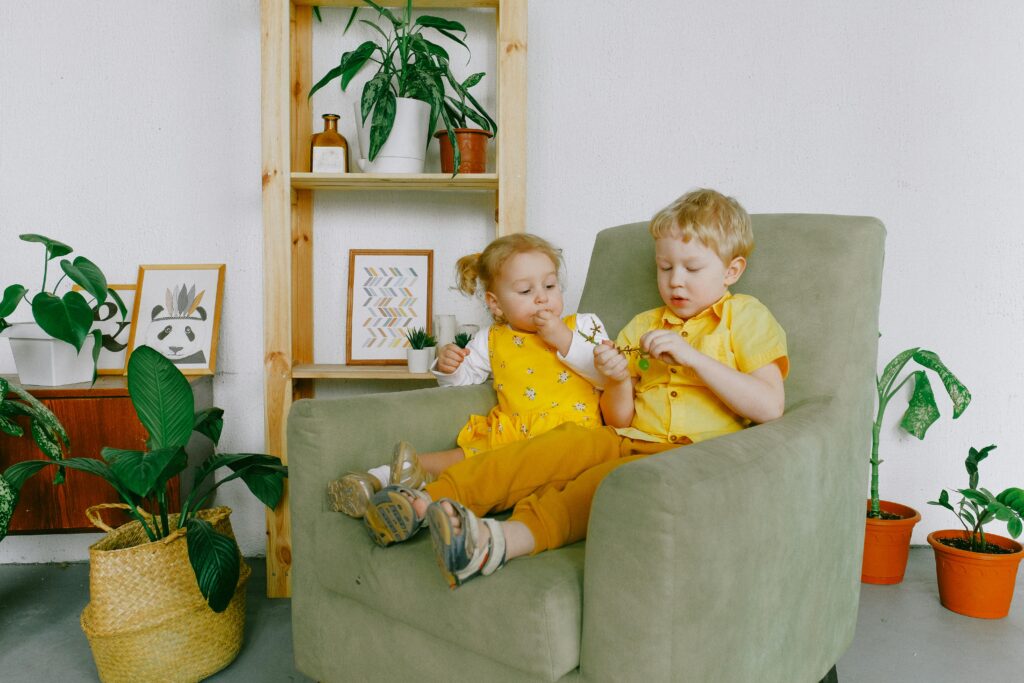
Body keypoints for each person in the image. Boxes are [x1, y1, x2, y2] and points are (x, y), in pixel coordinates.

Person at [362, 188, 789, 589]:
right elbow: (618, 417)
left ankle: (497, 543)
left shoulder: (744, 317)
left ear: (732, 270)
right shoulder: (644, 325)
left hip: (687, 455)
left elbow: (769, 406)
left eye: (692, 269)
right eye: (665, 267)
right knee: (548, 449)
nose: (675, 281)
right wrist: (619, 379)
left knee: (599, 486)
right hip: (625, 436)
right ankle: (421, 504)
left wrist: (694, 357)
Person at [329, 233, 610, 518]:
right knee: (453, 459)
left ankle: (418, 502)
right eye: (525, 291)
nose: (541, 297)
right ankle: (375, 479)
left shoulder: (584, 325)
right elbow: (463, 380)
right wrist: (448, 367)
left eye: (550, 285)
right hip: (508, 437)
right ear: (496, 304)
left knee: (482, 474)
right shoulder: (491, 339)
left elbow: (607, 377)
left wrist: (561, 337)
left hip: (568, 441)